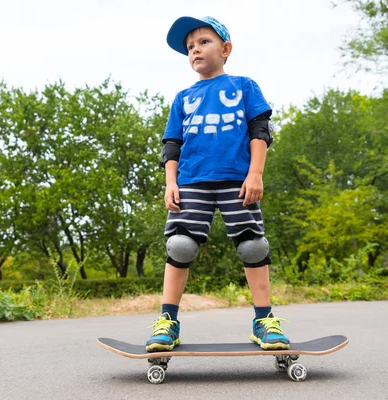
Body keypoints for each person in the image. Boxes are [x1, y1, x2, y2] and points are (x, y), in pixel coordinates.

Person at [146, 16, 290, 352]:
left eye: (204, 42)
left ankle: (264, 321)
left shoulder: (243, 85)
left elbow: (260, 131)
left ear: (225, 49)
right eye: (190, 46)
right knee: (180, 246)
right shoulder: (183, 97)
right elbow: (171, 145)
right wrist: (170, 182)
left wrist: (255, 173)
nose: (195, 49)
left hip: (237, 179)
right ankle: (167, 322)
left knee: (253, 246)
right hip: (191, 180)